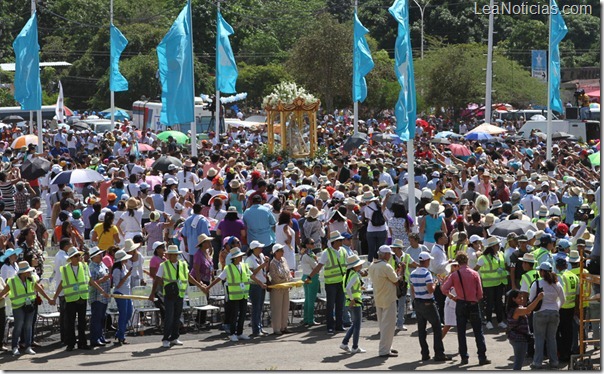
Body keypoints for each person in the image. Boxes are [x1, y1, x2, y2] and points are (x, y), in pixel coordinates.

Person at [51, 247, 110, 351]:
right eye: (76, 256)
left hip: (82, 297)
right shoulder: (65, 269)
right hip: (71, 298)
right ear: (71, 258)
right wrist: (54, 297)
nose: (79, 257)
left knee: (82, 322)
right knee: (70, 322)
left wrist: (102, 291)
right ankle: (71, 343)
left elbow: (91, 281)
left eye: (79, 255)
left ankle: (82, 343)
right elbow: (61, 284)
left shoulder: (84, 267)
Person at [149, 245, 205, 348]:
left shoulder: (183, 264)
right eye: (171, 255)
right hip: (169, 294)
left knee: (177, 316)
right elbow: (157, 279)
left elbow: (188, 277)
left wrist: (199, 285)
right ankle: (166, 338)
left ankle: (174, 337)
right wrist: (152, 293)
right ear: (169, 255)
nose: (173, 256)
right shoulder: (163, 265)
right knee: (169, 317)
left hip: (180, 293)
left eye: (175, 255)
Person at [441, 252, 490, 365]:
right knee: (478, 331)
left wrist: (453, 297)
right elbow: (480, 294)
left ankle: (464, 357)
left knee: (461, 332)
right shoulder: (474, 274)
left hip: (461, 304)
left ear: (458, 262)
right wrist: (475, 299)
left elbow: (444, 289)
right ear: (467, 261)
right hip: (473, 304)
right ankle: (482, 357)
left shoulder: (455, 275)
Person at [0, 261, 53, 356]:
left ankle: (28, 346)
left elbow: (39, 289)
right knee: (18, 327)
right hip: (18, 307)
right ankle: (14, 347)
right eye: (28, 271)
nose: (30, 273)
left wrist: (49, 299)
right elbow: (3, 292)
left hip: (30, 306)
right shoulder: (12, 281)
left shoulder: (31, 279)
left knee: (28, 326)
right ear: (23, 272)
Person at [205, 247, 252, 342]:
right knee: (234, 315)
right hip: (234, 295)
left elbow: (252, 276)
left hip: (243, 294)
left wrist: (261, 283)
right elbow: (219, 278)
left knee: (242, 314)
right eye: (239, 256)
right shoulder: (228, 268)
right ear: (234, 258)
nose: (241, 257)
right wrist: (208, 287)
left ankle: (239, 333)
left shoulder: (244, 266)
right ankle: (232, 333)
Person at [410, 251, 450, 362]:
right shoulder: (426, 274)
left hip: (418, 302)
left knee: (421, 330)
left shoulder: (413, 273)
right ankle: (439, 353)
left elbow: (412, 290)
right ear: (426, 261)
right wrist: (435, 283)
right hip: (427, 302)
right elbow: (430, 289)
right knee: (437, 328)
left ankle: (425, 353)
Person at [305, 230, 347, 334]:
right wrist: (310, 277)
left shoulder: (343, 251)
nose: (341, 242)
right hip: (331, 283)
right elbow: (319, 267)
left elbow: (348, 264)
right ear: (334, 241)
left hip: (341, 282)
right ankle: (330, 327)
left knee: (340, 305)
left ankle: (339, 325)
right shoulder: (326, 253)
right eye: (339, 240)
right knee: (330, 306)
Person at [529, 262, 565, 369]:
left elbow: (531, 299)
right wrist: (556, 308)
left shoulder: (537, 284)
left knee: (539, 338)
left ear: (542, 272)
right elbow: (563, 300)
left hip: (540, 313)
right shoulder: (557, 284)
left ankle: (537, 362)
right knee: (552, 338)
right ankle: (554, 362)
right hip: (554, 313)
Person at [368, 245, 401, 358]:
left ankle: (387, 347)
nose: (391, 256)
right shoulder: (386, 266)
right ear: (386, 255)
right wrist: (400, 274)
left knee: (383, 325)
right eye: (389, 254)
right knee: (389, 325)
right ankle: (384, 350)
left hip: (379, 297)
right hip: (388, 298)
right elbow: (396, 281)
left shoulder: (372, 265)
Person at [506, 289, 544, 370]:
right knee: (518, 363)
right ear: (513, 299)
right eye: (519, 298)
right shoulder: (517, 310)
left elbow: (527, 310)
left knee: (518, 361)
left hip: (517, 338)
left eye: (522, 297)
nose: (522, 299)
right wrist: (538, 298)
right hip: (519, 339)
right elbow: (528, 310)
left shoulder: (517, 308)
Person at [475, 236, 508, 330]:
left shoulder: (500, 254)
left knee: (499, 303)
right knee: (489, 303)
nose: (499, 246)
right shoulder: (483, 258)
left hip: (500, 282)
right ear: (492, 246)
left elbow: (504, 266)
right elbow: (475, 270)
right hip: (489, 284)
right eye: (497, 245)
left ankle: (500, 321)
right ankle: (488, 321)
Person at [340, 254, 366, 354]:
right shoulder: (354, 275)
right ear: (355, 266)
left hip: (350, 302)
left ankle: (345, 343)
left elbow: (348, 287)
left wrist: (359, 288)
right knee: (357, 326)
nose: (361, 266)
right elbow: (348, 288)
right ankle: (355, 347)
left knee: (355, 324)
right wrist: (352, 299)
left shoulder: (347, 274)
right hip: (355, 302)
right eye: (359, 265)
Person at [555, 257, 579, 363]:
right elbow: (578, 295)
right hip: (572, 307)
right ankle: (568, 353)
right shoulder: (574, 276)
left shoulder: (560, 276)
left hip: (561, 308)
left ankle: (562, 354)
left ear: (557, 266)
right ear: (566, 265)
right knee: (568, 332)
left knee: (559, 332)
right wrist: (577, 308)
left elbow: (557, 292)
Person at [88, 246, 111, 348]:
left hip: (104, 296)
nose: (101, 255)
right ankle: (95, 339)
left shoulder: (102, 264)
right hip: (97, 296)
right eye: (99, 254)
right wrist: (102, 279)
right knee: (96, 318)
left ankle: (101, 337)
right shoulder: (92, 267)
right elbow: (91, 283)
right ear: (94, 257)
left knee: (102, 317)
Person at [245, 240, 269, 336]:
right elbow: (251, 274)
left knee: (260, 307)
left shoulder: (261, 256)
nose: (261, 249)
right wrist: (262, 265)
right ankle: (256, 329)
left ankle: (260, 327)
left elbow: (264, 269)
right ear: (254, 249)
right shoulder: (249, 260)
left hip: (262, 284)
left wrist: (266, 263)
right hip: (255, 286)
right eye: (259, 248)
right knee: (256, 307)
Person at [268, 244, 293, 335]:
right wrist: (284, 281)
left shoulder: (284, 260)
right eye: (281, 250)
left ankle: (284, 326)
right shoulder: (272, 263)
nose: (283, 252)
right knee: (277, 308)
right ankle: (277, 328)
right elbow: (274, 277)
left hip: (285, 288)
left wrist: (289, 281)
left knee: (285, 308)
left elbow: (288, 272)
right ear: (276, 252)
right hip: (277, 288)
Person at [112, 249, 134, 345]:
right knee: (123, 314)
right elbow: (118, 285)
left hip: (126, 293)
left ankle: (120, 332)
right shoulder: (117, 270)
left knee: (129, 313)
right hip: (120, 293)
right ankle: (121, 335)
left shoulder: (124, 266)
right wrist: (127, 275)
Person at [300, 237, 320, 327]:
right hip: (311, 276)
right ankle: (310, 319)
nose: (313, 245)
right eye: (311, 243)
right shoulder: (308, 255)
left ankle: (306, 319)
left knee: (307, 299)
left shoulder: (307, 254)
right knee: (311, 300)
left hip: (305, 276)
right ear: (307, 245)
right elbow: (316, 266)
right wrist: (317, 260)